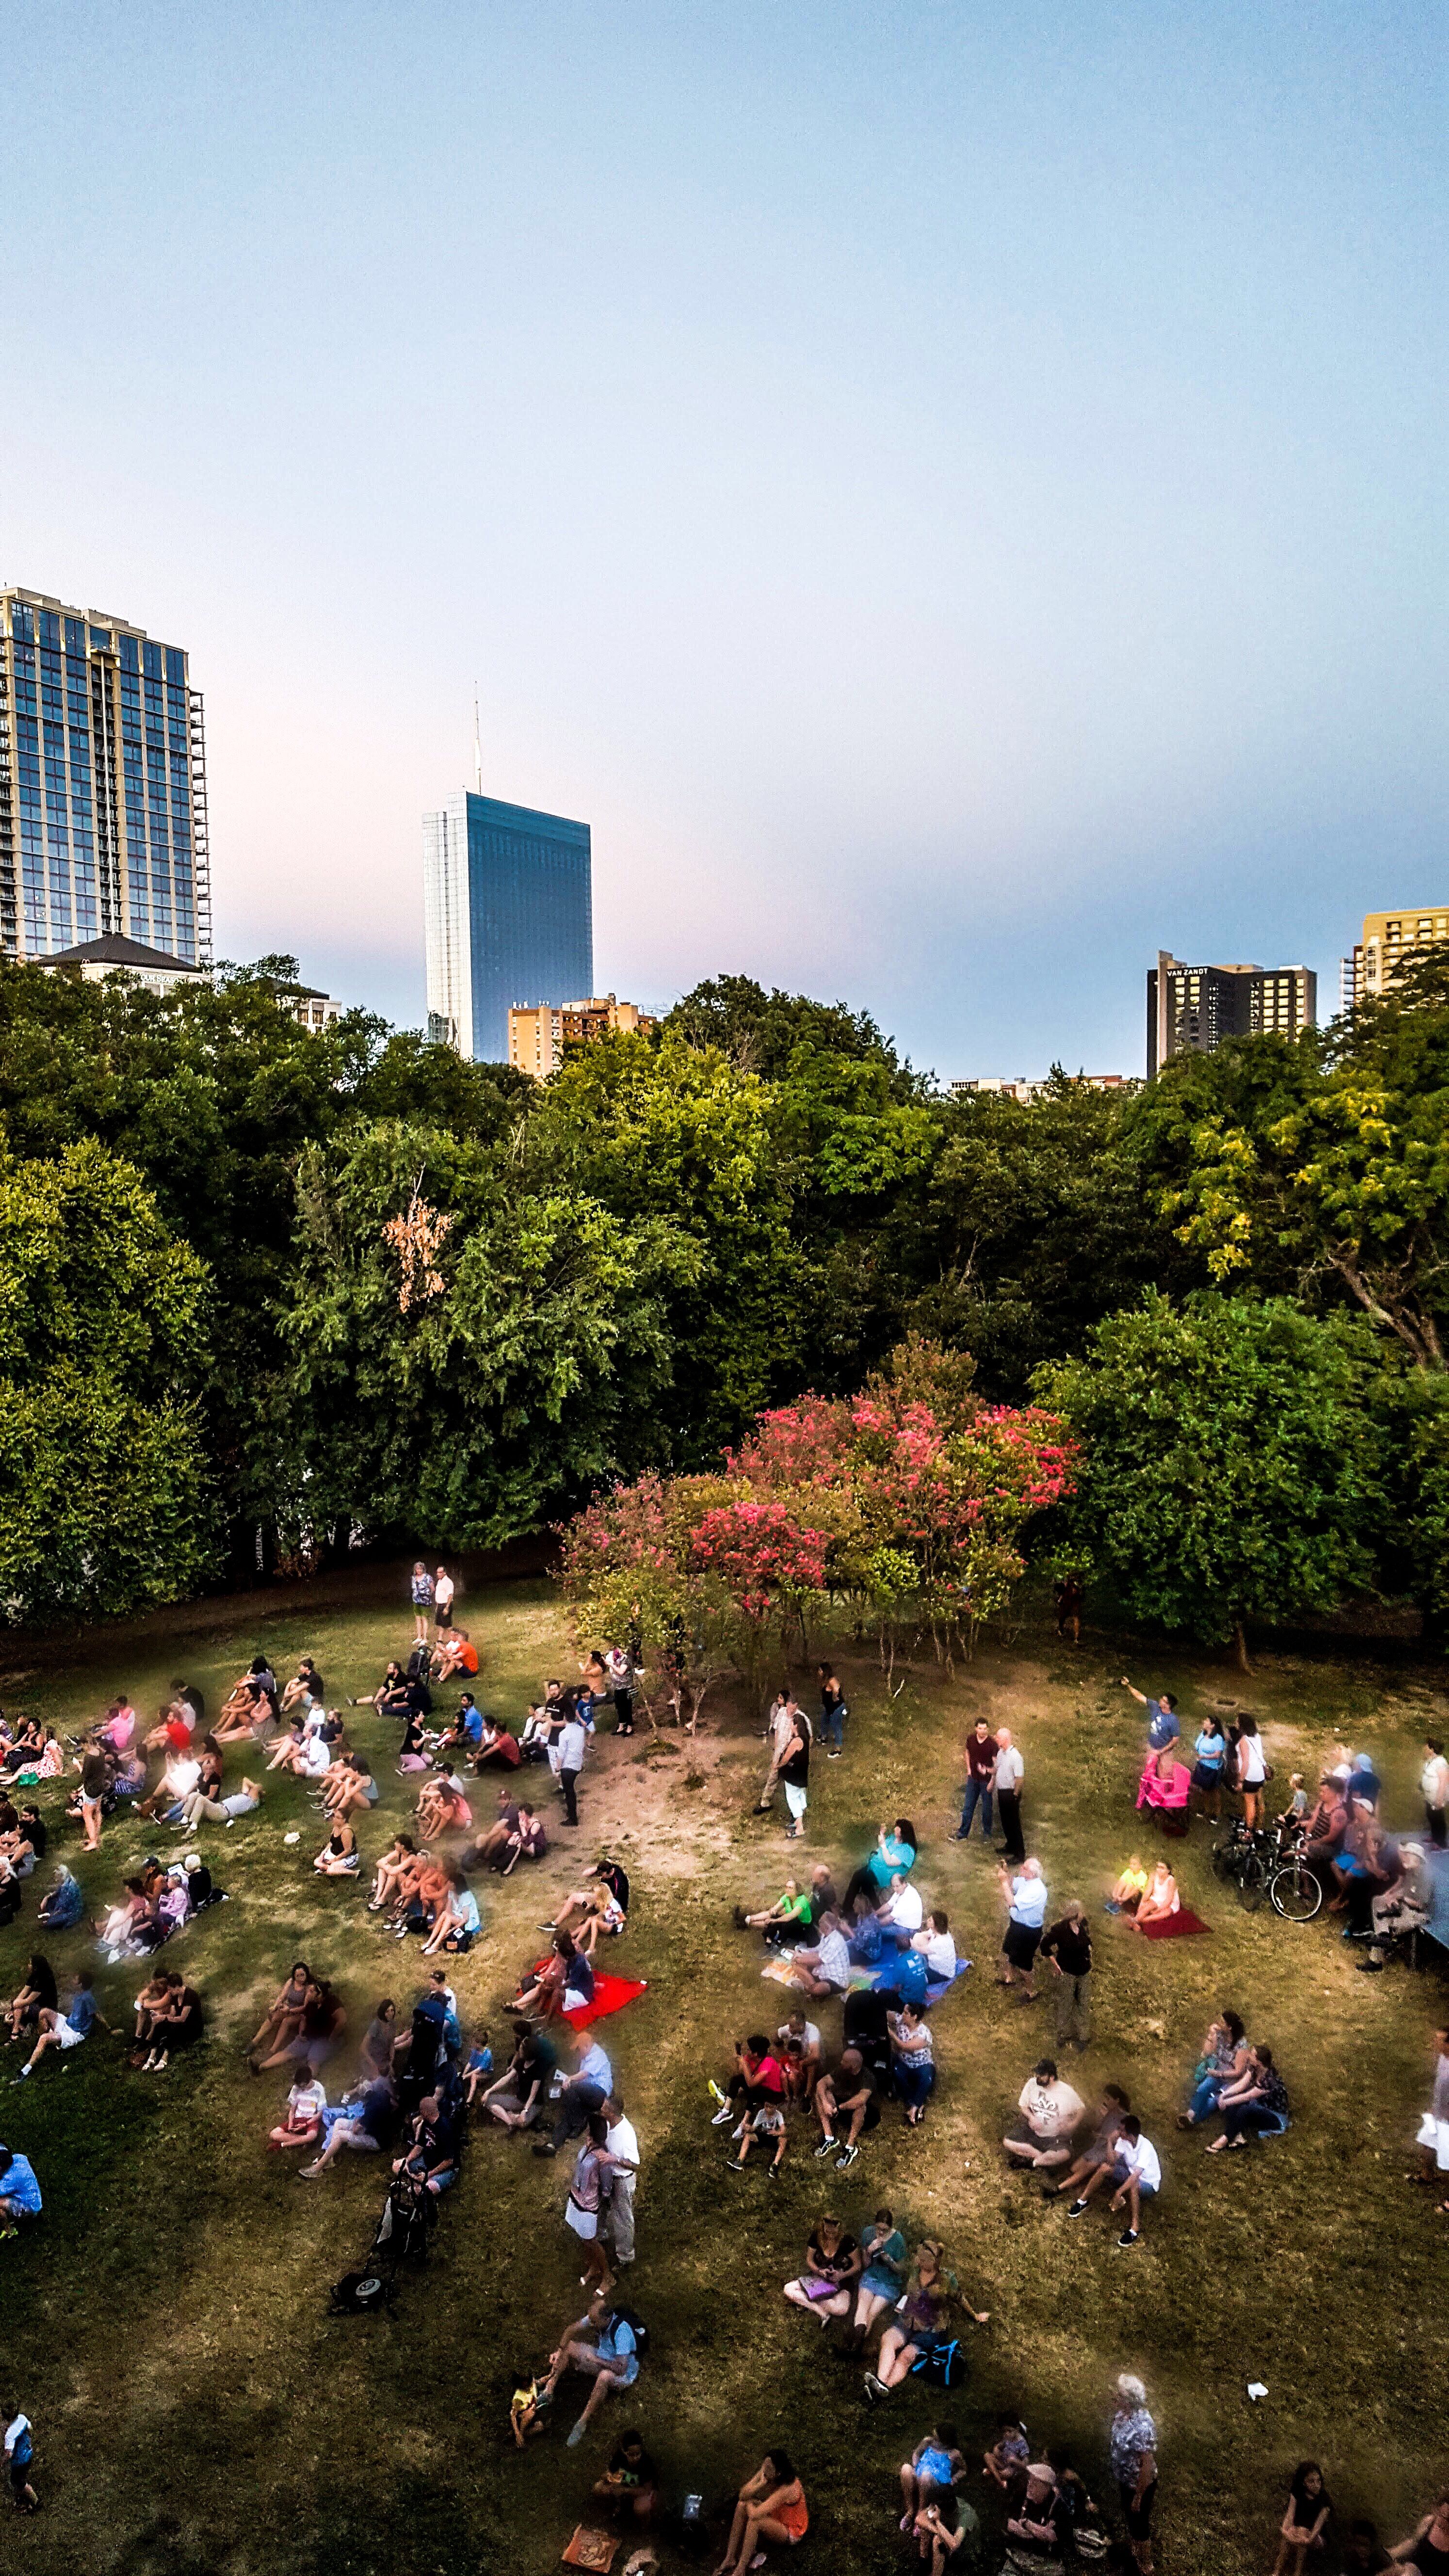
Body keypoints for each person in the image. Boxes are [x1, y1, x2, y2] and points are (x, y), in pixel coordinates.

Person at [541, 2290, 641, 2449]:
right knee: (569, 2347)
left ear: (607, 2319)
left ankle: (582, 2423)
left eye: (595, 2322)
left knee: (604, 2376)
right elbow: (571, 2330)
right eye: (591, 2320)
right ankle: (549, 2390)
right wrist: (559, 2352)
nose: (591, 2324)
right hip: (603, 2357)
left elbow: (621, 2369)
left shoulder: (622, 2333)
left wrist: (596, 2360)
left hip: (622, 2373)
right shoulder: (597, 2317)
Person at [1064, 2113, 1161, 2248]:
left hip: (1148, 2182)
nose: (1119, 2132)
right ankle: (1082, 2201)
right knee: (1104, 2167)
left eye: (1122, 2130)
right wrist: (1110, 2142)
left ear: (1130, 2134)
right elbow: (1112, 2161)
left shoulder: (1146, 2148)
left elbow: (1136, 2176)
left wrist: (1119, 2193)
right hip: (1130, 2172)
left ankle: (1135, 2228)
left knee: (1134, 2186)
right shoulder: (1123, 2141)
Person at [713, 2453, 808, 2573]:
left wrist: (749, 2503)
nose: (764, 2469)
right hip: (775, 2515)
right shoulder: (767, 2472)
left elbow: (754, 2515)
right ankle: (730, 2558)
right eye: (765, 2465)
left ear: (778, 2473)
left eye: (769, 2468)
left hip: (790, 2530)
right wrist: (760, 2484)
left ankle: (741, 2569)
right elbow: (743, 2495)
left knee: (755, 2521)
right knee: (741, 2505)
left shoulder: (788, 2489)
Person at [1108, 2376, 1158, 2576]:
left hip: (1139, 2485)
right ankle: (1134, 2550)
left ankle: (1146, 2564)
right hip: (1126, 2480)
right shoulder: (1123, 2414)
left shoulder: (1142, 2427)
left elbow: (1146, 2468)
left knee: (1139, 2525)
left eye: (1118, 2393)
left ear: (1129, 2399)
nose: (1114, 2395)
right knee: (1131, 2518)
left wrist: (1138, 2497)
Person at [16, 1973, 109, 2077]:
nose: (73, 1980)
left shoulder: (88, 1998)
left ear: (80, 1984)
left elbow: (97, 2013)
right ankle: (42, 2043)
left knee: (45, 2038)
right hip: (67, 2023)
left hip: (75, 2033)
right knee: (44, 2012)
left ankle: (25, 2071)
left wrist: (109, 2029)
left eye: (75, 1979)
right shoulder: (79, 1994)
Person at [1003, 2058, 1085, 2172]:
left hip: (1054, 2138)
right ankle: (1041, 2158)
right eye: (1038, 2074)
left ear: (1052, 2077)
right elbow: (1023, 2106)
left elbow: (1081, 2109)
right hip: (1032, 2132)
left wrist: (1072, 2124)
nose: (1038, 2077)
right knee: (1008, 2142)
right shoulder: (1032, 2084)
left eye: (1042, 2075)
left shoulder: (1066, 2091)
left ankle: (1033, 2163)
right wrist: (1031, 2118)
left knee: (1065, 2154)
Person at [1205, 2045, 1288, 2150]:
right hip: (1259, 2105)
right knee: (1234, 2104)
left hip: (1274, 2116)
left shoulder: (1269, 2080)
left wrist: (1225, 2102)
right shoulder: (1254, 2068)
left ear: (1259, 2062)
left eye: (1252, 2055)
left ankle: (1224, 2139)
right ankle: (1238, 2137)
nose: (1249, 2056)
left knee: (1244, 2109)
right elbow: (1242, 2085)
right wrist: (1224, 2095)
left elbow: (1248, 2097)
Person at [783, 2214, 861, 2323]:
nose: (830, 2235)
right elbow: (809, 2260)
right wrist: (819, 2271)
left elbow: (858, 2266)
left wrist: (841, 2275)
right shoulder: (817, 2237)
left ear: (840, 2228)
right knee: (788, 2288)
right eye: (827, 2232)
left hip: (842, 2281)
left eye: (833, 2232)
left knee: (842, 2309)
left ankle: (805, 2302)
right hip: (819, 2277)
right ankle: (820, 2312)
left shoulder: (848, 2241)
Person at [481, 2021, 557, 2130]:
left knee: (523, 2122)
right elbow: (507, 2078)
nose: (519, 2048)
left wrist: (524, 2112)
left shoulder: (538, 2068)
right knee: (489, 2100)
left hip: (533, 2103)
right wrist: (489, 2091)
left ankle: (507, 2116)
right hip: (520, 2099)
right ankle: (510, 2122)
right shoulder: (521, 2063)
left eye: (521, 2048)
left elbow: (533, 2095)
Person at [1178, 2012, 1250, 2129]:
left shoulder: (1241, 2045)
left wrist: (1220, 2074)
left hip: (1231, 2080)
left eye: (1222, 2022)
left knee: (1212, 2101)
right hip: (1217, 2073)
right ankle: (1190, 2116)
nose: (1219, 2023)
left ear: (1230, 2027)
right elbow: (1207, 2053)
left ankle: (1191, 2119)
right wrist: (1211, 2034)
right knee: (1202, 2090)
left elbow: (1239, 2072)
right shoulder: (1220, 2034)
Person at [813, 2046, 880, 2170]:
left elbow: (861, 2100)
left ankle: (850, 2147)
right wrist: (826, 2103)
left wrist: (839, 2107)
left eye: (845, 2061)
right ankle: (829, 2138)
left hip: (867, 2116)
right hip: (844, 2108)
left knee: (860, 2106)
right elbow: (822, 2083)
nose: (841, 2062)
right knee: (821, 2093)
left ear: (854, 2065)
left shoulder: (868, 2077)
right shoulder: (843, 2070)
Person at [1038, 1900, 1092, 2047]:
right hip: (1067, 1972)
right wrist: (1055, 1965)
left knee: (1083, 2003)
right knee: (1066, 2004)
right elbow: (1044, 1945)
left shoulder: (1084, 1925)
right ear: (1075, 1914)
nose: (1084, 1914)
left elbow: (1088, 1943)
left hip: (1084, 1971)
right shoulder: (1060, 1929)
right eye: (1081, 1912)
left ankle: (1083, 2036)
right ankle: (1063, 2034)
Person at [1410, 2025, 1449, 2211]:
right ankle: (1427, 2176)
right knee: (1426, 2142)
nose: (1434, 2042)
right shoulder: (1443, 2058)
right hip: (1439, 2115)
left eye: (1439, 2039)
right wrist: (1435, 2107)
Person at [998, 1858, 1048, 1995]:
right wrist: (1006, 1873)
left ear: (1033, 1874)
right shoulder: (1026, 1880)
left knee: (1024, 1965)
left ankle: (1031, 1991)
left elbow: (1012, 1902)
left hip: (1028, 1932)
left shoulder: (1036, 1891)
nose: (1021, 1868)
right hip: (1017, 1925)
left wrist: (1003, 1882)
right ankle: (1010, 1978)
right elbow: (1013, 1883)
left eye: (1025, 1868)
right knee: (1010, 1952)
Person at [1272, 2464, 1332, 2576]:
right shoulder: (1297, 2492)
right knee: (1290, 2536)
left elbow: (1317, 2528)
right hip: (1299, 2530)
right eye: (1311, 2481)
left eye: (1319, 2481)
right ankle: (1277, 2571)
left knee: (1303, 2533)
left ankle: (1297, 2572)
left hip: (1317, 2537)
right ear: (1304, 2482)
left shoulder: (1324, 2501)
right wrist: (1286, 2531)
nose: (1317, 2485)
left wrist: (1305, 2539)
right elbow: (1290, 2515)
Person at [592, 2431, 659, 2528]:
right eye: (631, 2455)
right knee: (599, 2488)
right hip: (623, 2487)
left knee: (640, 2509)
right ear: (624, 2452)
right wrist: (609, 2478)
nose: (636, 2458)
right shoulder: (619, 2457)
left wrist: (625, 2490)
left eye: (638, 2454)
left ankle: (646, 2523)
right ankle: (614, 2508)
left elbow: (646, 2491)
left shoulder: (646, 2463)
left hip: (641, 2492)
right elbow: (608, 2473)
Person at [602, 2089, 639, 2267]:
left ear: (612, 2112)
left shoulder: (626, 2134)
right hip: (609, 2176)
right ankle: (601, 2235)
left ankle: (626, 2256)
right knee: (601, 2205)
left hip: (623, 2181)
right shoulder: (608, 2123)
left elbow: (634, 2164)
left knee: (623, 2218)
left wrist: (614, 2159)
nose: (601, 2109)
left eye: (604, 2108)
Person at [787, 1909, 851, 1999]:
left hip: (837, 1981)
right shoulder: (827, 1936)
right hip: (824, 1972)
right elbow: (817, 1951)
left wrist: (799, 1959)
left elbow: (818, 1960)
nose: (819, 1924)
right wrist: (800, 1954)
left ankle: (808, 1988)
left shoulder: (834, 1942)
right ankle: (811, 1987)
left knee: (819, 1988)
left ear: (827, 1927)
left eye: (821, 1922)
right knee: (797, 1964)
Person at [889, 2001, 936, 2125]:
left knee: (927, 2079)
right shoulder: (902, 2021)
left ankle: (914, 2107)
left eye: (905, 2013)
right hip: (904, 2063)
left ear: (914, 2017)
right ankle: (916, 2105)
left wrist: (892, 2034)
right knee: (896, 2072)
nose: (902, 2015)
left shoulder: (923, 2034)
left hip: (922, 2065)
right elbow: (890, 2015)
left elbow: (906, 2047)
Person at [727, 2090, 787, 2177]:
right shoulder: (761, 2113)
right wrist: (748, 2128)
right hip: (762, 2136)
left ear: (776, 2107)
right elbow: (754, 2128)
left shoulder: (778, 2115)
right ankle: (740, 2160)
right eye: (766, 2106)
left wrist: (777, 2133)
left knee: (784, 2140)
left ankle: (775, 2166)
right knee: (748, 2136)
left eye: (771, 2107)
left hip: (773, 2137)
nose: (768, 2109)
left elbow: (784, 2130)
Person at [956, 1720, 998, 1842]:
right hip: (973, 1780)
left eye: (985, 1729)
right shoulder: (971, 1740)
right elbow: (967, 1753)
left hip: (986, 1781)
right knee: (968, 1807)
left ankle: (987, 1834)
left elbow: (996, 1766)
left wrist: (991, 1780)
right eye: (980, 1728)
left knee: (986, 1809)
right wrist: (969, 1769)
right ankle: (963, 1833)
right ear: (976, 1729)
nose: (983, 1731)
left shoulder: (992, 1744)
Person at [1389, 2489, 1449, 2574]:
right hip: (1409, 2570)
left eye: (1448, 2519)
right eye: (1441, 2515)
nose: (1442, 2521)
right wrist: (1392, 2553)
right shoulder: (1429, 2522)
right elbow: (1413, 2542)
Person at [777, 1701, 812, 1839]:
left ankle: (800, 1829)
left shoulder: (796, 1742)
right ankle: (798, 1823)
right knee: (799, 1797)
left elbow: (786, 1759)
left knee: (792, 1799)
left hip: (794, 1777)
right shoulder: (805, 1739)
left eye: (792, 1723)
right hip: (802, 1776)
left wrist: (778, 1765)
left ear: (796, 1726)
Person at [994, 1730, 1026, 1862]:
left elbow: (1019, 1778)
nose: (996, 1739)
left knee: (1014, 1824)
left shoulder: (1016, 1756)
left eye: (998, 1737)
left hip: (1011, 1793)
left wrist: (1015, 1795)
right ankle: (1010, 1846)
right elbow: (997, 1768)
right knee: (1006, 1822)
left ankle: (1020, 1854)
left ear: (1005, 1739)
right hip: (1002, 1792)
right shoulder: (1001, 1753)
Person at [1121, 1679, 1179, 1752]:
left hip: (1164, 1751)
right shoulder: (1155, 1706)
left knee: (1163, 1764)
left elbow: (1176, 1740)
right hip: (1151, 1746)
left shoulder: (1173, 1720)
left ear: (1167, 1705)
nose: (1160, 1700)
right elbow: (1140, 1696)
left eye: (1163, 1700)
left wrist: (1161, 1752)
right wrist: (1128, 1685)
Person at [556, 1701, 588, 1830]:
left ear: (565, 1717)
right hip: (577, 1764)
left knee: (569, 1792)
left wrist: (558, 1769)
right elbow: (583, 1746)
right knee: (570, 1789)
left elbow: (561, 1754)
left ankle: (573, 1818)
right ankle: (571, 1812)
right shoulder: (580, 1730)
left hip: (567, 1766)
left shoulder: (563, 1734)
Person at [2, 2399, 37, 2514]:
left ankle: (36, 2501)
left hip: (19, 2461)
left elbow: (9, 2454)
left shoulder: (9, 2435)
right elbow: (30, 2428)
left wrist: (1, 2462)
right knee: (15, 2479)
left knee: (19, 2482)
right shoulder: (22, 2418)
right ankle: (22, 2496)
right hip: (28, 2453)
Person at [1191, 1714, 1229, 1817]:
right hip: (1202, 1766)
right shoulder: (1203, 1734)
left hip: (1212, 1769)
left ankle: (1217, 1812)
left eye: (1207, 1721)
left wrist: (1203, 1757)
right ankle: (1207, 1810)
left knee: (1214, 1791)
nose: (1204, 1722)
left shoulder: (1218, 1739)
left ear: (1212, 1725)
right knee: (1204, 1790)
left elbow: (1217, 1755)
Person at [983, 2415, 1031, 2494]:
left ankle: (995, 2475)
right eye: (1004, 2431)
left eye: (1009, 2431)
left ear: (1017, 2430)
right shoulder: (1008, 2437)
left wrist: (1015, 2461)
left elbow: (1025, 2465)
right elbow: (1001, 2445)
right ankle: (1000, 2480)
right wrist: (997, 2448)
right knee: (987, 2456)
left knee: (1007, 2473)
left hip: (1012, 2468)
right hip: (1002, 2461)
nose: (1006, 2434)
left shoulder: (1022, 2444)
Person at [1131, 1860, 1180, 1931]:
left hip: (1169, 1903)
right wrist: (1142, 1903)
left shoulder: (1171, 1880)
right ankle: (1135, 1921)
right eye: (1158, 1867)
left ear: (1168, 1871)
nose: (1159, 1870)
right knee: (1147, 1907)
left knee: (1165, 1914)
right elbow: (1148, 1892)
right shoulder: (1153, 1875)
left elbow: (1169, 1900)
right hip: (1156, 1899)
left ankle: (1137, 1921)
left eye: (1162, 1868)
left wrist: (1158, 1910)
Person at [0, 2145, 41, 2228]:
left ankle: (7, 2228)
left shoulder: (10, 2180)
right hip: (30, 2197)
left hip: (28, 2206)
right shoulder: (19, 2158)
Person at [1420, 1738, 1449, 1848]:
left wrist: (1440, 1798)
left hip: (1437, 1796)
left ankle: (1441, 1842)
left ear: (1432, 1749)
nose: (1425, 1748)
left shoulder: (1441, 1762)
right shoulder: (1431, 1760)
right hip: (1429, 1797)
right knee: (1431, 1816)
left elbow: (1444, 1781)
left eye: (1427, 1746)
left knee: (1438, 1819)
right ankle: (1434, 1836)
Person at [818, 1662, 847, 1757]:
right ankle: (824, 1738)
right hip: (830, 1708)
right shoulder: (825, 1680)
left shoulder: (832, 1680)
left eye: (820, 1670)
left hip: (837, 1708)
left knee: (836, 1726)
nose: (819, 1672)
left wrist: (834, 1697)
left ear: (825, 1671)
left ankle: (838, 1750)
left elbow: (836, 1688)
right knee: (824, 1720)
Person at [410, 1560, 434, 1641]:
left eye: (421, 1569)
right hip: (416, 1601)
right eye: (418, 1569)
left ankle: (425, 1638)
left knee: (424, 1619)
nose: (419, 1570)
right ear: (415, 1570)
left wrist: (427, 1595)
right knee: (418, 1619)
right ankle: (419, 1637)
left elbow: (433, 1589)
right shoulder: (413, 1578)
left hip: (425, 1601)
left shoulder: (428, 1577)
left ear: (423, 1569)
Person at [433, 1563, 455, 1635]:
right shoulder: (440, 1581)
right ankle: (440, 1640)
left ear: (444, 1573)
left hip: (446, 1605)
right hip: (440, 1605)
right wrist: (437, 1606)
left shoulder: (448, 1582)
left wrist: (447, 1608)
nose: (438, 1574)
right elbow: (439, 1595)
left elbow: (450, 1595)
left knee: (448, 1625)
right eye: (437, 1572)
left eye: (440, 1572)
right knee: (441, 1624)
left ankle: (454, 1639)